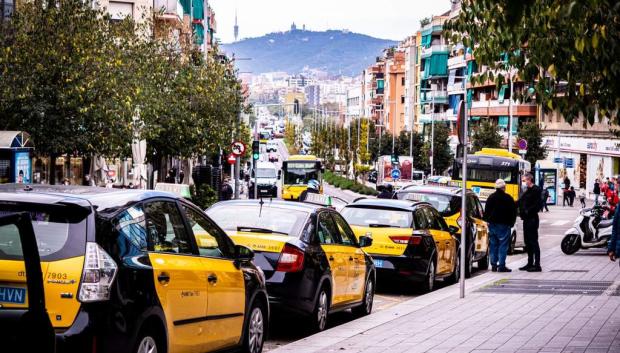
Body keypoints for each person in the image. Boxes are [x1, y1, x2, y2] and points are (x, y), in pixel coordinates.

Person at [484, 179, 517, 272]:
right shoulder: (508, 198)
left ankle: (493, 265)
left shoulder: (491, 197)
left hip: (492, 224)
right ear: (503, 187)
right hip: (504, 224)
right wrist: (511, 223)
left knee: (493, 244)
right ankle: (501, 265)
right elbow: (513, 211)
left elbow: (486, 211)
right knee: (503, 245)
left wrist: (487, 221)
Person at [518, 172, 542, 272]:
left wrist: (528, 211)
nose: (524, 182)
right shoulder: (527, 190)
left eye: (525, 180)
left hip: (532, 219)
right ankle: (529, 263)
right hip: (526, 219)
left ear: (529, 180)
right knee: (527, 242)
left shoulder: (536, 190)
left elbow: (538, 205)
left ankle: (537, 265)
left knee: (533, 242)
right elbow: (520, 201)